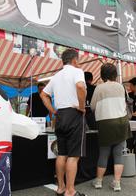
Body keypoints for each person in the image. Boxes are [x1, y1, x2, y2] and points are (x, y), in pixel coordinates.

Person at [40, 49, 87, 196]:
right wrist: (81, 106)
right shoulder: (77, 71)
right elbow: (80, 86)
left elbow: (43, 94)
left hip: (60, 116)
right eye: (78, 60)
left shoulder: (56, 76)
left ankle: (60, 188)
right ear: (74, 60)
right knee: (73, 155)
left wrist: (53, 111)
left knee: (62, 153)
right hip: (74, 114)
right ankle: (70, 191)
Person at [90, 63, 131, 192]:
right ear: (115, 74)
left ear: (102, 75)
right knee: (118, 154)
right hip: (122, 122)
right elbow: (125, 103)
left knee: (104, 153)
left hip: (106, 123)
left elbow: (92, 106)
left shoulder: (99, 88)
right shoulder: (121, 87)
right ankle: (117, 183)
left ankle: (98, 181)